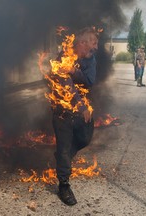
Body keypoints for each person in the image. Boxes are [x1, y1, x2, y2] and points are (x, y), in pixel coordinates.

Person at [52, 27, 99, 206]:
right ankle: (63, 185)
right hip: (62, 110)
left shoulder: (91, 59)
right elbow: (67, 87)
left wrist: (74, 71)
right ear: (82, 43)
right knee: (64, 147)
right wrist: (81, 107)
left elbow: (90, 80)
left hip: (83, 109)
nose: (95, 47)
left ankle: (62, 158)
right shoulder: (63, 58)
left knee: (85, 138)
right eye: (93, 42)